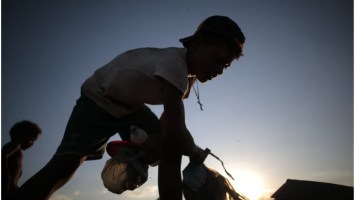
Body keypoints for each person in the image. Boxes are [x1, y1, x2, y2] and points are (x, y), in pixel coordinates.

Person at [13, 15, 245, 200]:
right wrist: (195, 153)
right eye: (218, 60)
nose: (221, 70)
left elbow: (169, 124)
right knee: (66, 164)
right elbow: (176, 131)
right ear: (200, 43)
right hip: (98, 100)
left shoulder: (187, 77)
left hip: (130, 109)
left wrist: (166, 142)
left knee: (170, 150)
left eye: (225, 65)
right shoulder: (174, 65)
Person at [1, 120, 42, 200]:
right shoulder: (15, 145)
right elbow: (2, 155)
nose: (32, 143)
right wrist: (7, 181)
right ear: (22, 135)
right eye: (32, 139)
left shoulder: (18, 151)